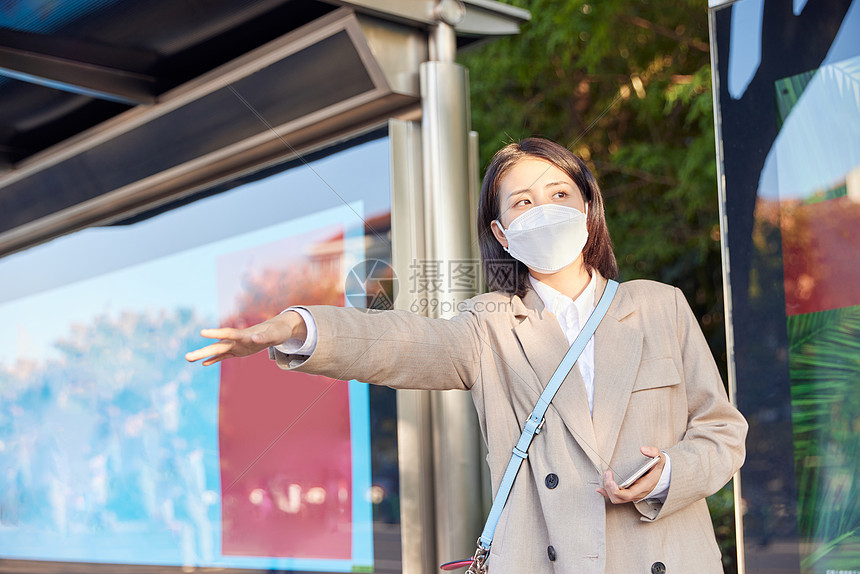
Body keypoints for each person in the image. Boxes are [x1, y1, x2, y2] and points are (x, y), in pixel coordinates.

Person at [186, 137, 748, 574]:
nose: (545, 210)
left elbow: (722, 434)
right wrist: (298, 326)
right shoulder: (490, 325)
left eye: (559, 194)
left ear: (587, 208)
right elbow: (399, 343)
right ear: (503, 234)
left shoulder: (658, 306)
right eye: (523, 202)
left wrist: (668, 473)